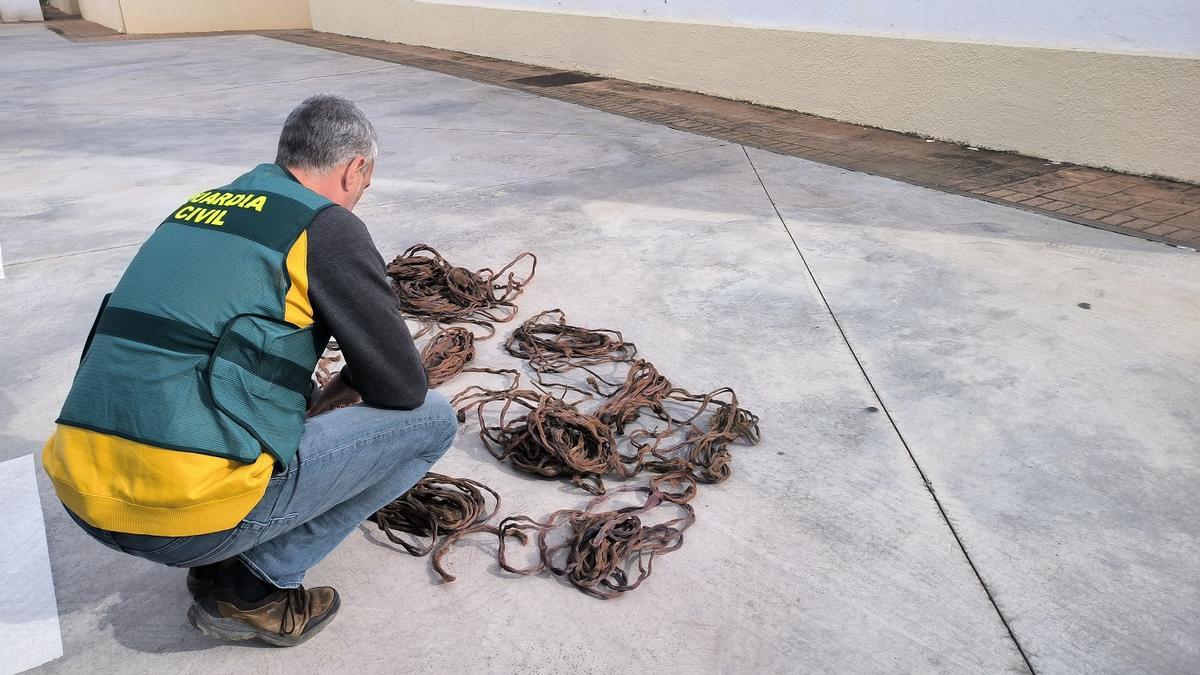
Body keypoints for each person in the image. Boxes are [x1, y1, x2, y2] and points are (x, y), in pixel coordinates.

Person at [41, 94, 455, 647]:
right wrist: (338, 392)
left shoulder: (201, 204)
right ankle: (253, 589)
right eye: (365, 183)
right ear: (356, 168)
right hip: (179, 519)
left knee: (265, 371)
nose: (360, 197)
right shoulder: (327, 226)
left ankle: (218, 554)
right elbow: (401, 387)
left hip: (81, 493)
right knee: (432, 420)